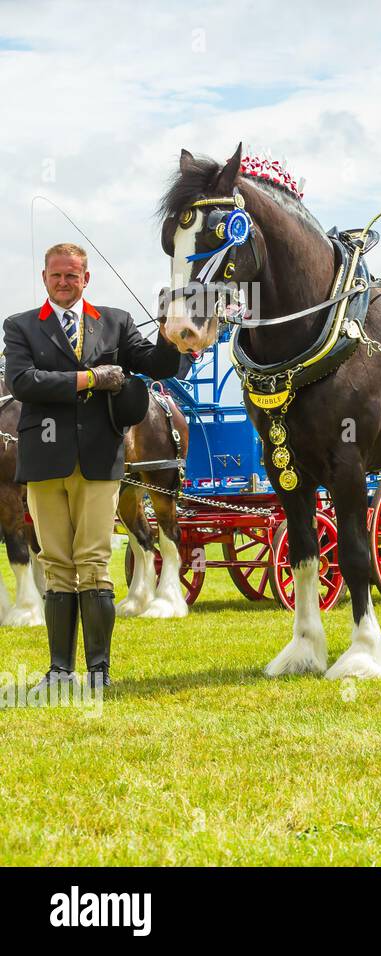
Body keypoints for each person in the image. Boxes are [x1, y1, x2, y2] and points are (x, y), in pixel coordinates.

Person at [4, 243, 191, 690]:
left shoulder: (116, 322)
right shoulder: (21, 326)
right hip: (45, 461)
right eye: (56, 275)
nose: (64, 282)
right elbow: (23, 382)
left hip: (100, 458)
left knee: (94, 562)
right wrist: (89, 379)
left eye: (73, 275)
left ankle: (99, 672)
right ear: (44, 277)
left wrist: (169, 333)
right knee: (56, 564)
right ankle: (59, 671)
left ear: (86, 279)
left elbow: (157, 366)